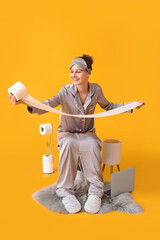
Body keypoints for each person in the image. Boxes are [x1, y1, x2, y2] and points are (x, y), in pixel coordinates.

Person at [8, 54, 145, 214]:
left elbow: (109, 106)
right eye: (72, 71)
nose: (74, 75)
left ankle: (95, 191)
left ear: (88, 72)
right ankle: (65, 192)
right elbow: (47, 105)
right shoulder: (65, 91)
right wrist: (24, 102)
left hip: (87, 134)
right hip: (67, 134)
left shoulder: (96, 90)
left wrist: (131, 105)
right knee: (68, 144)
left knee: (93, 143)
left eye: (78, 71)